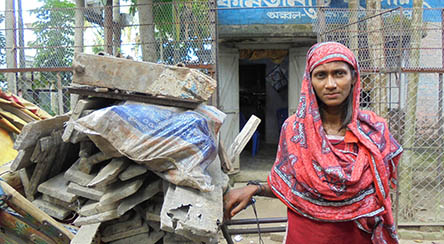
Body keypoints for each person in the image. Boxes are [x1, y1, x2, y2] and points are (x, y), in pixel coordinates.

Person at [223, 42, 403, 244]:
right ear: (309, 81)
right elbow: (292, 184)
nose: (330, 84)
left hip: (356, 236)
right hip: (306, 234)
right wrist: (255, 188)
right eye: (321, 75)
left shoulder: (374, 132)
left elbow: (382, 190)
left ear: (353, 78)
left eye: (339, 74)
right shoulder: (294, 131)